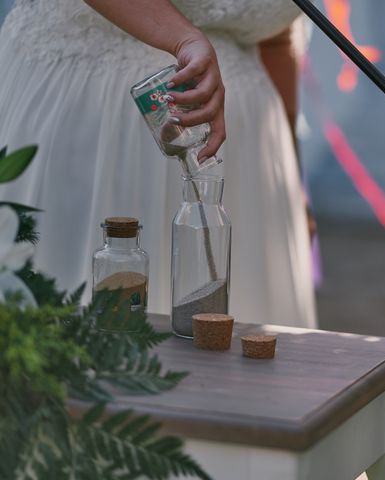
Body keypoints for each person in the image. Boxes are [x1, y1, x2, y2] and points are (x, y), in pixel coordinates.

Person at [0, 0, 317, 329]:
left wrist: (293, 176)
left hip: (244, 162)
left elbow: (278, 39)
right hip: (96, 116)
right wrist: (183, 40)